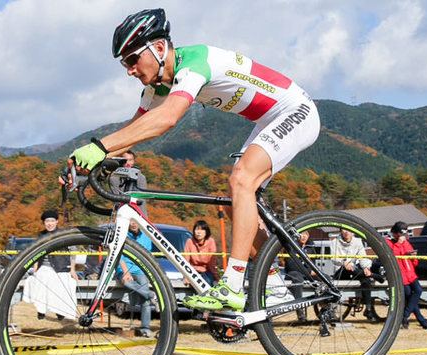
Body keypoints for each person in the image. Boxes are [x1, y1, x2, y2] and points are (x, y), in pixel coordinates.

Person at [69, 8, 320, 313]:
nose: (129, 70)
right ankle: (274, 283)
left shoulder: (194, 63)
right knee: (235, 202)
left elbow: (167, 119)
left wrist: (99, 147)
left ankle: (233, 284)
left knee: (241, 179)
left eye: (133, 60)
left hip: (295, 110)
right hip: (266, 120)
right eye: (125, 64)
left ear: (159, 48)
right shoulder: (156, 88)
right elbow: (133, 133)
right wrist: (86, 160)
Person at [23, 209, 78, 321]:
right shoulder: (41, 236)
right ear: (44, 223)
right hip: (45, 266)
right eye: (47, 221)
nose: (49, 223)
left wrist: (72, 269)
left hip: (61, 267)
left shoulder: (63, 234)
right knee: (40, 280)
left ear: (57, 221)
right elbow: (36, 254)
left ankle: (60, 311)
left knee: (62, 284)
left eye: (52, 221)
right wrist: (35, 269)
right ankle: (41, 310)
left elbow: (73, 251)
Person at [387, 221, 427, 330]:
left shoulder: (406, 242)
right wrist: (399, 244)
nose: (402, 237)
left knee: (418, 291)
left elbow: (414, 261)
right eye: (400, 234)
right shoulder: (389, 242)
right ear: (395, 233)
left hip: (410, 274)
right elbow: (393, 257)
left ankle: (404, 316)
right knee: (410, 297)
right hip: (400, 275)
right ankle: (422, 322)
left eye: (404, 234)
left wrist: (414, 256)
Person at [332, 228, 381, 323]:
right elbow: (334, 259)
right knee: (354, 269)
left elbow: (362, 257)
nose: (346, 232)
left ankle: (368, 310)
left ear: (353, 231)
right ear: (340, 231)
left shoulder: (358, 242)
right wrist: (344, 263)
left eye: (348, 230)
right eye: (344, 230)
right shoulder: (335, 242)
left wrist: (366, 268)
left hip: (354, 270)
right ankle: (375, 276)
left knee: (366, 279)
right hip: (341, 271)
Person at [117, 220, 154, 337]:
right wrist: (125, 271)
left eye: (135, 221)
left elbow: (147, 257)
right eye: (130, 221)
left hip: (140, 270)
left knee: (145, 299)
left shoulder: (146, 237)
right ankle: (150, 294)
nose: (133, 224)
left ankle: (145, 328)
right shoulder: (123, 235)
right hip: (123, 268)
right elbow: (119, 255)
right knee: (127, 283)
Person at [109, 150, 148, 215]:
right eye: (125, 160)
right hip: (122, 214)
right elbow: (116, 200)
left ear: (134, 161)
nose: (128, 163)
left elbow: (141, 200)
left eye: (130, 160)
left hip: (139, 214)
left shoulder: (140, 178)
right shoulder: (114, 179)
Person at [184, 220, 219, 286]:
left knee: (208, 281)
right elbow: (186, 261)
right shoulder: (189, 241)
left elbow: (212, 261)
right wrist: (186, 276)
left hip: (207, 271)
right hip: (193, 271)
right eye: (197, 229)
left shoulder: (211, 241)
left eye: (202, 230)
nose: (199, 232)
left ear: (206, 232)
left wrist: (216, 277)